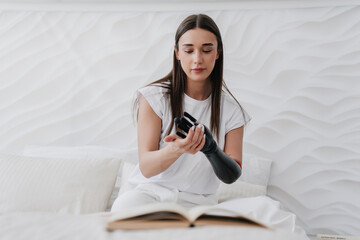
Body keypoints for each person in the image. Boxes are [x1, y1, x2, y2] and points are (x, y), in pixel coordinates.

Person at [111, 13, 250, 212]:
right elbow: (147, 167)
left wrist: (211, 150)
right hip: (151, 195)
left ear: (218, 53)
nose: (197, 59)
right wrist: (178, 149)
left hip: (200, 203)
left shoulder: (232, 111)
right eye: (188, 50)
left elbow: (232, 175)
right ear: (177, 52)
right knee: (124, 208)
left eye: (207, 50)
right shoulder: (154, 98)